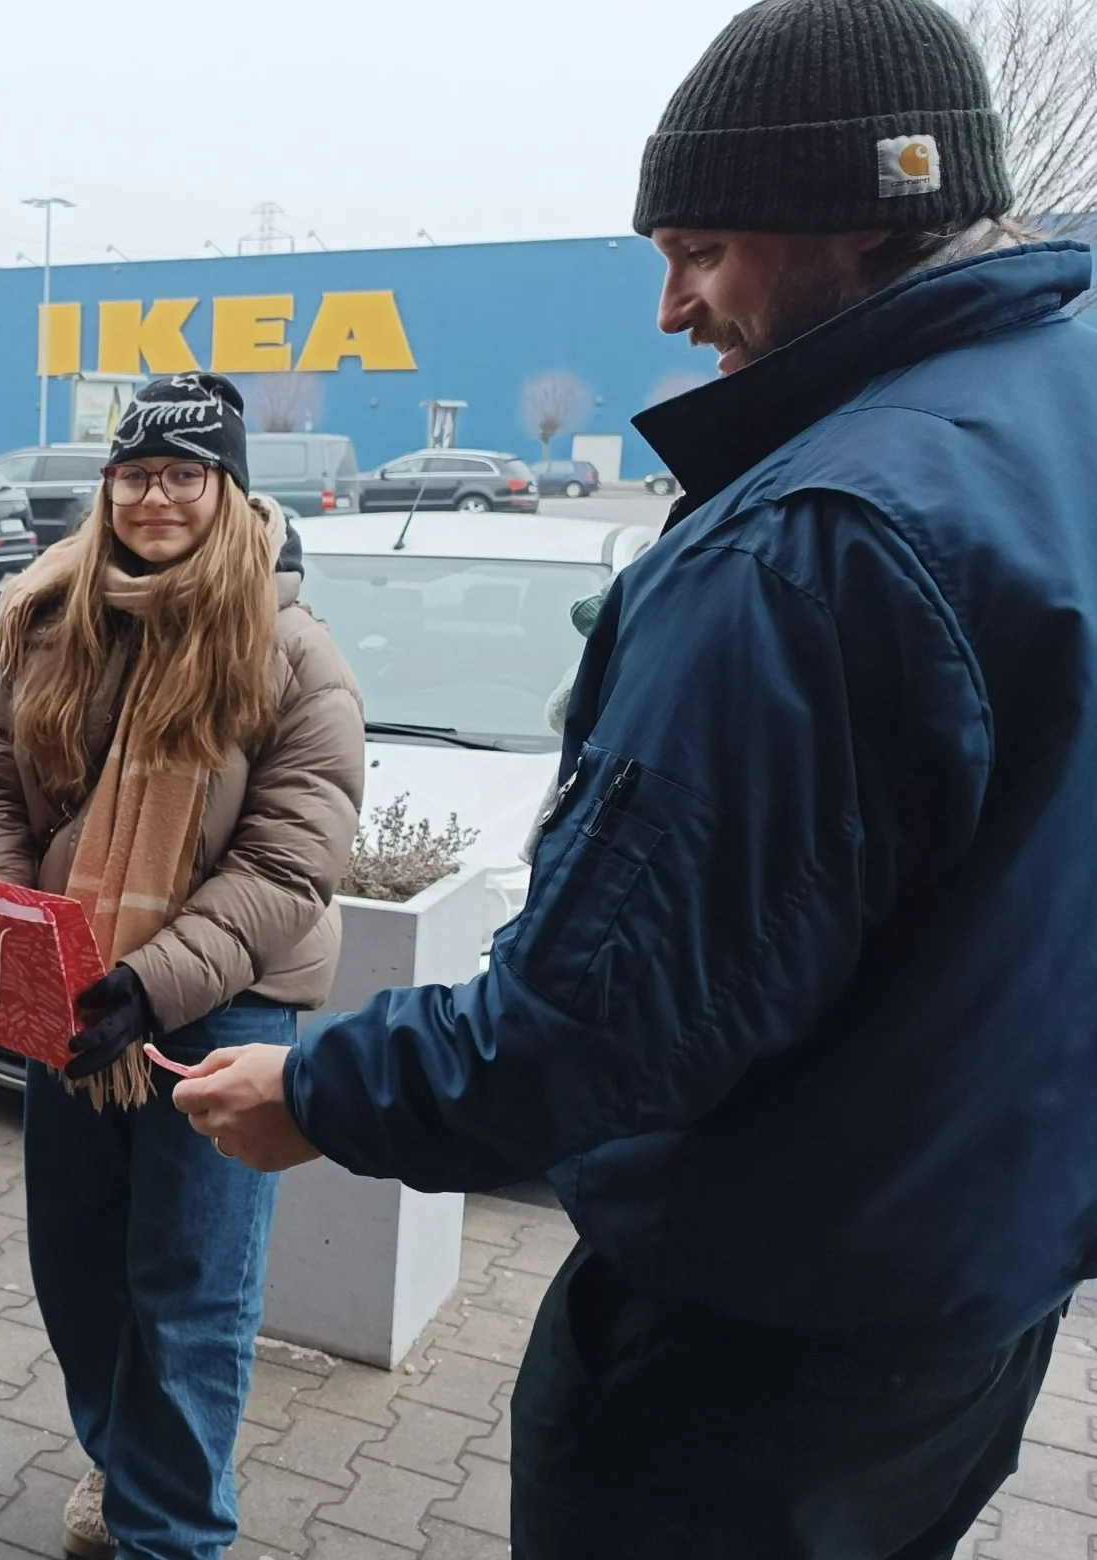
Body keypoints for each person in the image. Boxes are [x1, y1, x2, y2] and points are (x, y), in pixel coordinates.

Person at [172, 0, 1097, 1552]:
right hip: (973, 1278)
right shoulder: (1054, 417)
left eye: (703, 249)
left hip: (761, 1332)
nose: (669, 307)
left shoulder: (812, 545)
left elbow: (606, 1017)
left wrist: (319, 1091)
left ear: (857, 220)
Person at [0, 372, 363, 1560]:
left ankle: (169, 1531)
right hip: (72, 999)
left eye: (185, 474)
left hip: (218, 1011)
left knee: (188, 1294)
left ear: (230, 490)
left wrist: (150, 983)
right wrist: (25, 923)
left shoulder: (290, 652)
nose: (156, 498)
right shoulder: (50, 622)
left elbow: (291, 863)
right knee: (77, 1274)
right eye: (134, 474)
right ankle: (120, 1459)